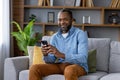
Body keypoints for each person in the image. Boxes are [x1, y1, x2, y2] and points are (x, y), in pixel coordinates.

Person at [29, 8, 88, 80]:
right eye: (60, 20)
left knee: (69, 70)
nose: (62, 22)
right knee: (34, 68)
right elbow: (51, 60)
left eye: (65, 19)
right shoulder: (54, 37)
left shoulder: (80, 34)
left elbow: (83, 58)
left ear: (72, 20)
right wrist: (45, 55)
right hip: (59, 65)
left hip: (77, 66)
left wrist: (62, 55)